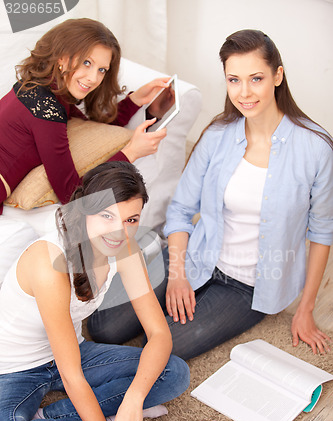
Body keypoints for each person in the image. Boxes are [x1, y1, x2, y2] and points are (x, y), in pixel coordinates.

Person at [87, 29, 333, 359]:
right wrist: (176, 274)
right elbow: (181, 210)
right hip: (194, 256)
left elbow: (321, 231)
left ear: (277, 76)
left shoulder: (316, 148)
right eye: (234, 80)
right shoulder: (217, 135)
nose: (244, 92)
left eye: (256, 78)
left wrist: (306, 308)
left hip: (248, 287)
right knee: (104, 328)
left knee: (159, 349)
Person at [0, 161, 190, 421]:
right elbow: (72, 376)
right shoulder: (50, 260)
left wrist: (134, 398)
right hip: (15, 368)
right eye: (107, 216)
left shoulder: (125, 248)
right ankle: (100, 419)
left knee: (174, 373)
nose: (119, 232)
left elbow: (159, 334)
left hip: (72, 350)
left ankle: (57, 419)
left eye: (131, 220)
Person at [0, 18, 168, 214]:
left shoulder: (43, 89)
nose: (93, 78)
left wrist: (135, 100)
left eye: (101, 70)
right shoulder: (46, 110)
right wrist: (131, 153)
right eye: (86, 62)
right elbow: (72, 195)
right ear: (61, 57)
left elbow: (89, 128)